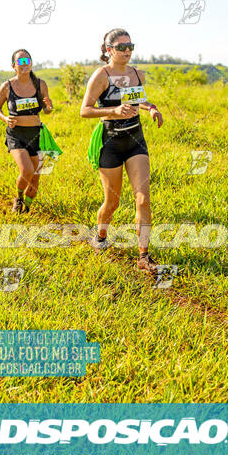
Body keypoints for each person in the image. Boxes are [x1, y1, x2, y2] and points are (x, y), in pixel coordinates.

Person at [80, 28, 163, 274]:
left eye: (130, 46)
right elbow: (85, 110)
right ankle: (101, 236)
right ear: (109, 50)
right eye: (121, 47)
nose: (127, 51)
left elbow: (136, 100)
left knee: (143, 198)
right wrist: (113, 112)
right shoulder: (101, 75)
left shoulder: (138, 74)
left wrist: (151, 108)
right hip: (111, 142)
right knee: (112, 202)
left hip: (136, 140)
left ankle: (144, 256)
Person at [0, 49, 54, 214]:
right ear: (14, 65)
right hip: (16, 135)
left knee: (34, 179)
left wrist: (49, 107)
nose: (25, 64)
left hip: (36, 135)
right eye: (20, 61)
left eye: (28, 60)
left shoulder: (40, 84)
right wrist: (5, 118)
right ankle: (18, 198)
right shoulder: (7, 86)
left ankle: (26, 209)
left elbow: (47, 110)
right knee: (26, 170)